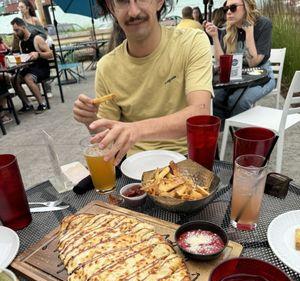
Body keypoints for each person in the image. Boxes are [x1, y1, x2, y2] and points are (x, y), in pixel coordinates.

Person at [73, 0, 213, 165]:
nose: (133, 11)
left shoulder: (191, 42)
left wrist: (136, 130)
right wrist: (91, 120)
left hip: (188, 158)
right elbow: (108, 140)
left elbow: (200, 114)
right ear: (112, 7)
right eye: (123, 1)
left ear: (160, 2)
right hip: (133, 165)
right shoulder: (106, 67)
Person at [205, 0, 275, 119]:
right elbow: (221, 63)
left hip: (262, 75)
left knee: (239, 102)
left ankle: (240, 133)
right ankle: (225, 127)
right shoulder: (227, 28)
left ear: (246, 7)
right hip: (236, 75)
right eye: (225, 9)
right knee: (214, 97)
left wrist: (248, 32)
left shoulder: (263, 24)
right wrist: (215, 37)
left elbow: (253, 62)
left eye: (233, 8)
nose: (228, 12)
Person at [10, 17, 53, 114]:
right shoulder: (21, 42)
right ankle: (27, 104)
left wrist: (38, 54)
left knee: (28, 78)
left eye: (17, 30)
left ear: (23, 27)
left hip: (42, 68)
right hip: (29, 68)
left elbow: (50, 54)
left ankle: (42, 104)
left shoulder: (36, 38)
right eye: (14, 31)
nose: (16, 33)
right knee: (13, 78)